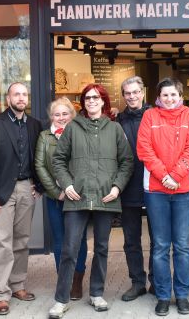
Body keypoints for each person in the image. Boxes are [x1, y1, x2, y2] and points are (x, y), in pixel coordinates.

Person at [48, 84, 133, 318]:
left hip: (106, 197)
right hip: (78, 198)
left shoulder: (115, 129)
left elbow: (127, 161)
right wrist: (67, 184)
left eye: (96, 97)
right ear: (83, 102)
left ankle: (97, 293)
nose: (92, 101)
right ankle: (61, 299)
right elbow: (58, 161)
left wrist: (117, 188)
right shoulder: (72, 128)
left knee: (103, 248)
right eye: (87, 98)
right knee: (69, 249)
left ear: (103, 101)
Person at [136, 77, 189, 316]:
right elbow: (144, 148)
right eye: (165, 95)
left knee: (182, 245)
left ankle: (182, 295)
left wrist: (176, 175)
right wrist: (165, 176)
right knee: (161, 245)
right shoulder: (149, 117)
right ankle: (163, 295)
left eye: (173, 94)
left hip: (185, 189)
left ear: (180, 96)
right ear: (158, 97)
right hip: (156, 190)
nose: (169, 99)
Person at [0, 82, 43, 316]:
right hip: (2, 193)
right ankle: (1, 294)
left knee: (22, 241)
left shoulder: (35, 125)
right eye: (16, 94)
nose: (21, 98)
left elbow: (40, 157)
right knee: (2, 244)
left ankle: (17, 286)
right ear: (8, 99)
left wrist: (40, 186)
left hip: (27, 188)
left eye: (24, 94)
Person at [34, 97, 88, 300]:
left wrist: (74, 188)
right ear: (51, 117)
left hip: (77, 197)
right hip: (55, 197)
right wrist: (57, 191)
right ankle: (63, 278)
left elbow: (86, 164)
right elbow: (39, 165)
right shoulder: (44, 136)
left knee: (79, 240)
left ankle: (76, 282)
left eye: (65, 113)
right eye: (57, 114)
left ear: (72, 115)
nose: (61, 118)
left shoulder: (81, 133)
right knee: (60, 240)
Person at [116, 76, 155, 301]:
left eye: (135, 92)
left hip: (153, 185)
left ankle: (156, 282)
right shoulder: (118, 120)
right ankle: (137, 282)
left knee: (157, 239)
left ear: (142, 93)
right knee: (131, 239)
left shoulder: (155, 116)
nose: (131, 96)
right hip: (128, 186)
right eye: (127, 93)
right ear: (124, 96)